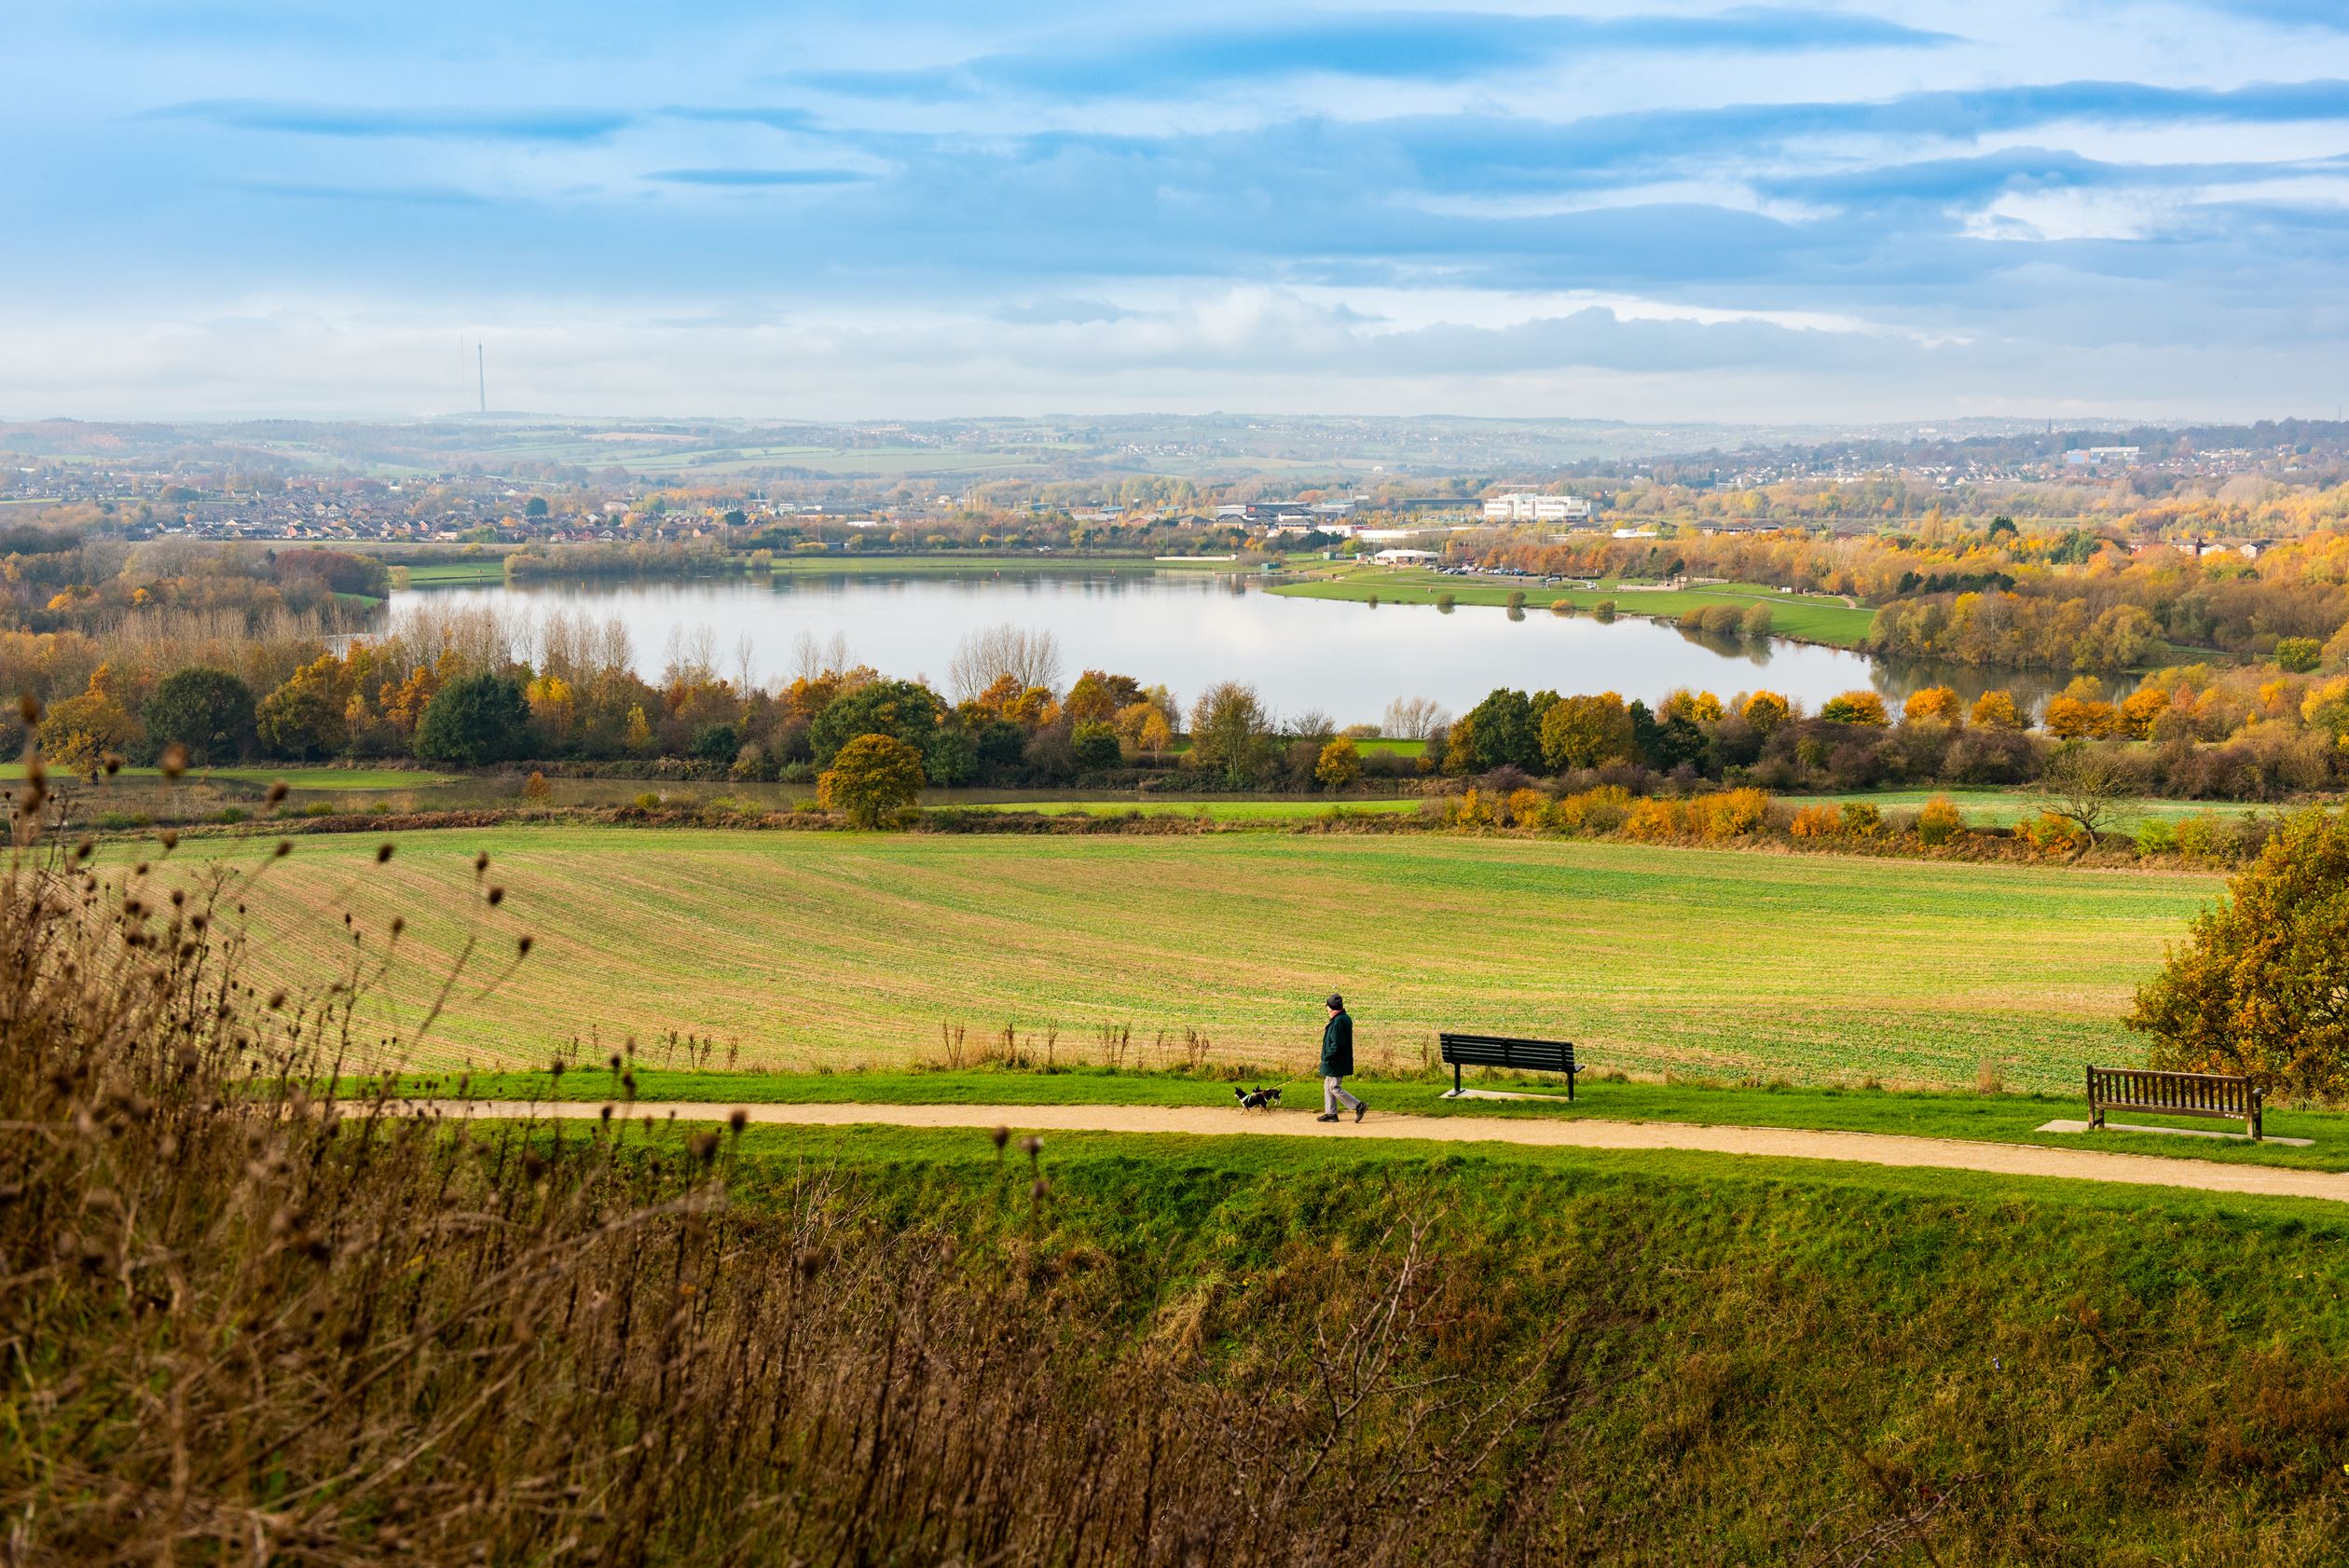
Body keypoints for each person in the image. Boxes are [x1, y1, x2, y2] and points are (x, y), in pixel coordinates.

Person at [1316, 993, 1366, 1123]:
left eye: (1327, 1006)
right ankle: (1331, 1113)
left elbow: (1337, 1045)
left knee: (1334, 1087)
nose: (1326, 1008)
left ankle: (1359, 1105)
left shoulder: (1338, 1021)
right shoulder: (1342, 1018)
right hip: (1335, 1061)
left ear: (1332, 1007)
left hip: (1336, 1062)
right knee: (1328, 1086)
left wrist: (1327, 1057)